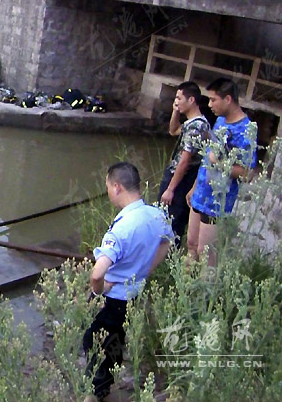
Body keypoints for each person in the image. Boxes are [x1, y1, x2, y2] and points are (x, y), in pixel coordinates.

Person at [83, 162, 173, 400]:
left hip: (112, 297)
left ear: (117, 187)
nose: (108, 192)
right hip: (133, 293)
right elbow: (166, 242)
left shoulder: (121, 230)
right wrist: (146, 270)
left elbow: (97, 273)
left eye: (107, 187)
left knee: (94, 343)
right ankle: (105, 383)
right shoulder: (157, 215)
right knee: (115, 340)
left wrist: (99, 289)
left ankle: (95, 392)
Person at [186, 78, 257, 267]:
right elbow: (207, 157)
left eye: (213, 100)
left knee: (206, 253)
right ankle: (184, 282)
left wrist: (220, 163)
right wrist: (194, 186)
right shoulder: (219, 121)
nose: (209, 105)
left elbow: (247, 173)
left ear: (228, 99)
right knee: (191, 245)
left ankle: (205, 285)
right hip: (201, 193)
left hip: (216, 202)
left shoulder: (246, 130)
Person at [158, 81, 210, 248]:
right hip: (176, 178)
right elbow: (173, 130)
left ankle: (168, 256)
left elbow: (185, 161)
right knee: (162, 219)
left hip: (181, 181)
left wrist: (170, 189)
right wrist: (175, 111)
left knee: (172, 222)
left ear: (191, 100)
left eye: (179, 98)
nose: (176, 101)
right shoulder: (190, 123)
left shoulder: (197, 127)